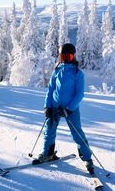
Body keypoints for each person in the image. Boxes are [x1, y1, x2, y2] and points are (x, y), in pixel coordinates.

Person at [36, 43, 94, 173]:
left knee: (77, 133)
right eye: (64, 56)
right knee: (49, 130)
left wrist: (69, 108)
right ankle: (47, 154)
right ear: (61, 57)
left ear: (73, 56)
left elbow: (80, 94)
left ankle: (87, 158)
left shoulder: (78, 73)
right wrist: (47, 106)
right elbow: (51, 89)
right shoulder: (57, 70)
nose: (67, 58)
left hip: (71, 109)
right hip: (55, 107)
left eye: (69, 56)